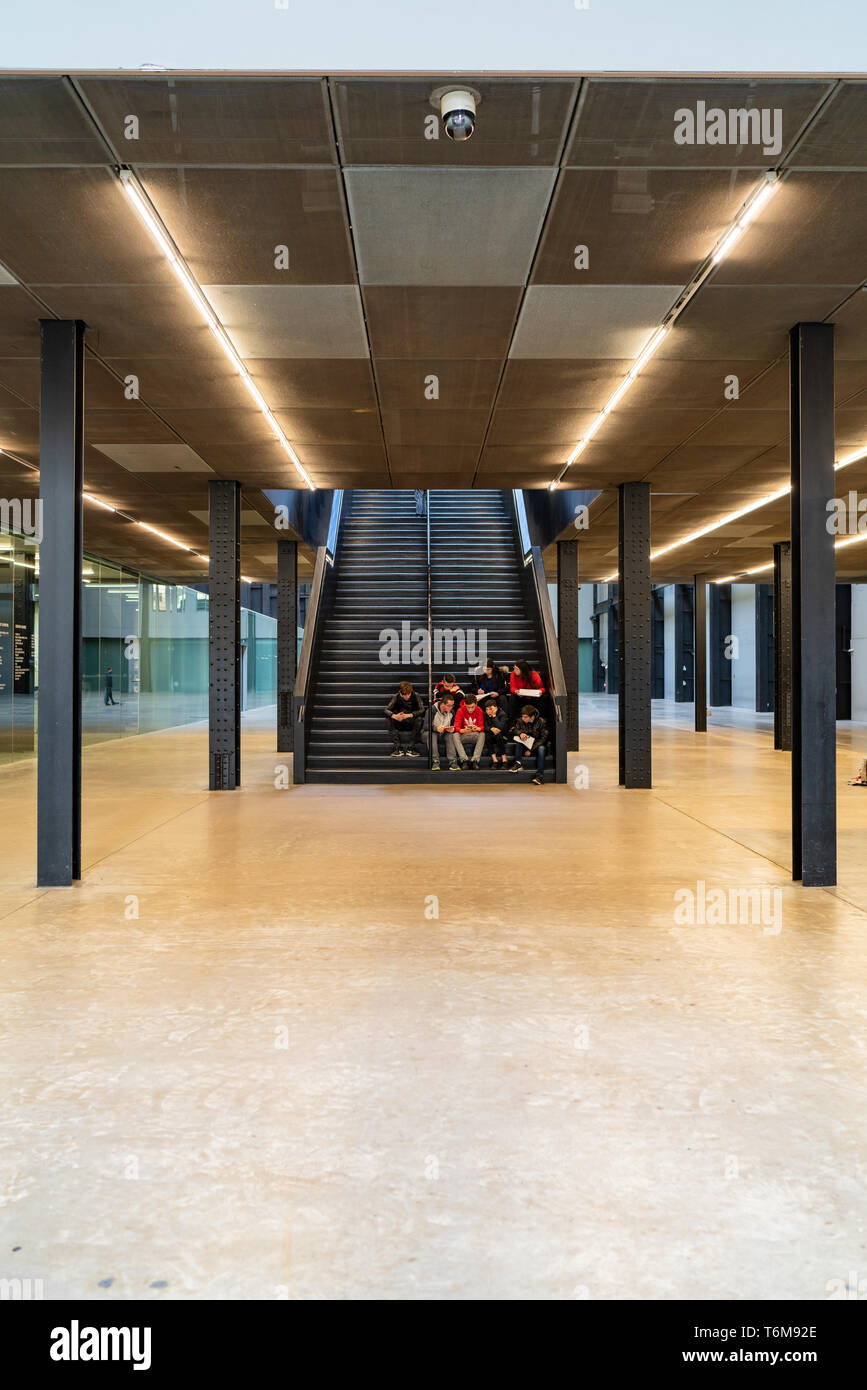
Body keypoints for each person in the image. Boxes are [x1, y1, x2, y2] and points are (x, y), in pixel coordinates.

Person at [507, 704, 549, 785]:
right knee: (519, 740)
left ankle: (539, 776)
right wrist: (520, 733)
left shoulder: (541, 722)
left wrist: (530, 749)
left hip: (536, 746)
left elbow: (543, 738)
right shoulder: (520, 721)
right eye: (522, 716)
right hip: (525, 744)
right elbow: (513, 730)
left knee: (542, 749)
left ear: (532, 716)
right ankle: (518, 763)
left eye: (525, 717)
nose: (523, 718)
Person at [384, 681, 424, 757]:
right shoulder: (396, 696)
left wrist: (410, 715)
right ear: (400, 692)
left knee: (419, 719)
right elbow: (386, 710)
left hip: (411, 721)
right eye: (404, 695)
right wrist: (394, 716)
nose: (407, 697)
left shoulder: (416, 695)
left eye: (408, 695)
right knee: (388, 719)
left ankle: (410, 748)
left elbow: (422, 710)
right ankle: (398, 748)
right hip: (399, 720)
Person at [453, 694, 486, 769]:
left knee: (482, 734)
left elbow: (482, 726)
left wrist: (478, 728)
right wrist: (462, 730)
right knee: (454, 735)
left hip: (475, 735)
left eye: (472, 707)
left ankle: (475, 760)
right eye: (468, 707)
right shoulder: (460, 710)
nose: (470, 709)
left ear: (476, 704)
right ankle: (464, 760)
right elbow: (456, 727)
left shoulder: (479, 710)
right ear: (465, 704)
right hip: (464, 735)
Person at [429, 695, 460, 771]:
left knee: (450, 735)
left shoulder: (452, 712)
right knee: (432, 734)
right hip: (429, 734)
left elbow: (454, 725)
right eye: (449, 705)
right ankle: (435, 761)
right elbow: (426, 726)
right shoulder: (432, 710)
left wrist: (452, 729)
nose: (451, 707)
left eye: (452, 705)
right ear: (443, 704)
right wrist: (436, 728)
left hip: (443, 733)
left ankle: (453, 762)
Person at [482, 696, 509, 767]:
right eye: (487, 709)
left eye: (491, 709)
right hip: (491, 736)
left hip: (504, 737)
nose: (488, 711)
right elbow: (484, 726)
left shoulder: (502, 714)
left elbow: (500, 728)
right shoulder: (485, 714)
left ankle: (504, 759)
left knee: (498, 734)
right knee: (487, 735)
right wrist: (491, 728)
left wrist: (494, 716)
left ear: (496, 708)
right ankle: (494, 760)